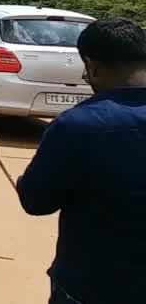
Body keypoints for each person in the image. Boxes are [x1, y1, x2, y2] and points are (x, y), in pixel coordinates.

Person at [17, 18, 146, 304]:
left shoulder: (77, 124)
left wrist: (23, 182)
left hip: (92, 285)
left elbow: (36, 201)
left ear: (94, 66)